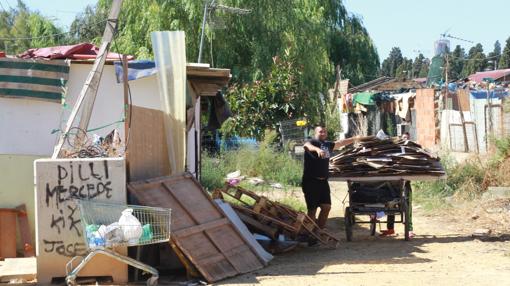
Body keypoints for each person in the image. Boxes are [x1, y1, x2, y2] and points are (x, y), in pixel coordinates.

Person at [302, 126, 357, 230]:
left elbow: (339, 143)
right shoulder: (312, 142)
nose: (323, 133)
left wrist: (354, 139)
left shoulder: (327, 144)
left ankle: (318, 231)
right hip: (310, 182)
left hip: (323, 182)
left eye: (324, 132)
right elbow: (306, 145)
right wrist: (317, 149)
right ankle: (309, 234)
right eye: (320, 132)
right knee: (312, 210)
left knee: (326, 207)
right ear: (315, 133)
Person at [380, 131, 414, 238]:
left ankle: (409, 229)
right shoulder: (394, 150)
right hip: (394, 184)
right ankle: (390, 229)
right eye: (404, 138)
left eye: (407, 138)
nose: (405, 140)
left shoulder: (411, 152)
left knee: (407, 205)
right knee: (391, 205)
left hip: (406, 184)